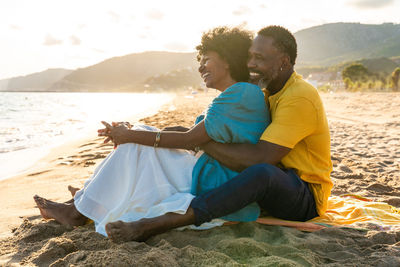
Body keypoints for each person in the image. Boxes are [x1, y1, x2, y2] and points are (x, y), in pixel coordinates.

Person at [33, 26, 271, 236]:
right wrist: (134, 132)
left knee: (136, 142)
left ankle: (78, 210)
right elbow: (194, 135)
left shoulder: (240, 93)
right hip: (209, 168)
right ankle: (87, 197)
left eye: (206, 59)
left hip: (215, 180)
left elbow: (190, 139)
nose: (200, 68)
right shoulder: (239, 93)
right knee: (140, 134)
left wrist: (128, 135)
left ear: (227, 58)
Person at [104, 25, 333, 243]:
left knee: (263, 173)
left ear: (283, 62)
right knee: (168, 142)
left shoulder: (298, 96)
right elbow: (196, 135)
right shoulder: (266, 89)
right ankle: (97, 197)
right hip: (275, 182)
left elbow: (261, 159)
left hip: (305, 194)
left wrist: (198, 140)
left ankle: (161, 222)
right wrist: (143, 131)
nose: (250, 64)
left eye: (259, 59)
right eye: (250, 56)